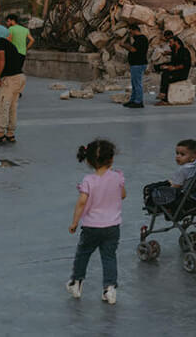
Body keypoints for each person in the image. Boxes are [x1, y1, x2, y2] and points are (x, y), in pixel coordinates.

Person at [67, 138, 125, 305]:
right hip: (113, 226)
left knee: (83, 254)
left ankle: (76, 282)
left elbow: (82, 202)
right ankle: (110, 289)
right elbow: (122, 195)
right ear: (111, 159)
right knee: (109, 257)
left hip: (91, 226)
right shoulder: (117, 176)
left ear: (89, 161)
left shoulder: (88, 180)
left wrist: (74, 222)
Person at [155, 36, 191, 105]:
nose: (169, 44)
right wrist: (165, 66)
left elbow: (185, 64)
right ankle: (163, 95)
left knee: (166, 75)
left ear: (176, 42)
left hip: (182, 73)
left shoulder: (184, 51)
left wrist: (174, 68)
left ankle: (164, 98)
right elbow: (173, 63)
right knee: (159, 67)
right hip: (175, 71)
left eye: (171, 42)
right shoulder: (174, 52)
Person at [121, 24, 148, 108]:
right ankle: (133, 100)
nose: (130, 34)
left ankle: (138, 101)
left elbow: (133, 49)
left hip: (138, 64)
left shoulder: (141, 39)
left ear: (134, 30)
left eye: (131, 31)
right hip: (135, 64)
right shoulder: (137, 39)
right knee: (134, 83)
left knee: (137, 83)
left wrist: (124, 45)